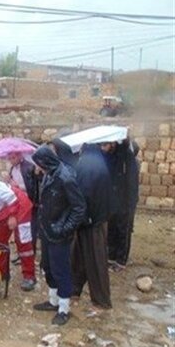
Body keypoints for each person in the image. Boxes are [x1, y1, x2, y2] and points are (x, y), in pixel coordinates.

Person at [31, 145, 86, 326]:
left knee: (61, 269)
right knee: (48, 266)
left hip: (59, 232)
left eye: (38, 164)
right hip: (47, 230)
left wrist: (65, 229)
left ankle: (64, 308)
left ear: (45, 162)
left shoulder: (66, 177)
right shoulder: (49, 174)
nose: (36, 167)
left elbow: (79, 208)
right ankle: (53, 300)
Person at [71, 143, 113, 310]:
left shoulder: (87, 164)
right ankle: (74, 289)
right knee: (79, 257)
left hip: (91, 221)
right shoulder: (97, 161)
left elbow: (84, 193)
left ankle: (101, 300)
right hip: (93, 218)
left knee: (96, 260)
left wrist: (83, 218)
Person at [106, 139, 138, 271]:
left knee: (123, 231)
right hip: (114, 201)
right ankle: (111, 256)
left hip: (126, 202)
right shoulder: (115, 159)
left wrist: (129, 203)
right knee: (112, 228)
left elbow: (131, 185)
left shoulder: (129, 161)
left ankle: (121, 260)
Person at [7, 152, 41, 252]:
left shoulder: (29, 168)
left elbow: (32, 188)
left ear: (19, 156)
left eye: (13, 157)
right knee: (19, 228)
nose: (11, 160)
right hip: (18, 202)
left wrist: (17, 186)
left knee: (29, 228)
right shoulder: (12, 169)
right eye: (9, 158)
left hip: (29, 203)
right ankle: (21, 251)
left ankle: (31, 251)